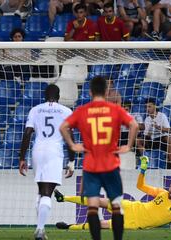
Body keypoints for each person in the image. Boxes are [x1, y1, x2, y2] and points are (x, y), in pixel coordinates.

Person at [59, 76, 139, 240]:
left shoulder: (83, 110)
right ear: (106, 91)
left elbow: (63, 127)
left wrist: (73, 145)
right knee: (116, 206)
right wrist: (129, 146)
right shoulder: (115, 109)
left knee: (93, 207)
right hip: (111, 165)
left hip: (91, 166)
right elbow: (134, 125)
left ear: (90, 91)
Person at [54, 157, 171, 231]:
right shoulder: (162, 193)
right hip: (131, 206)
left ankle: (69, 227)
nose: (170, 188)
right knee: (99, 200)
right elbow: (140, 186)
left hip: (134, 223)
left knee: (102, 224)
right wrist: (142, 171)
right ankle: (63, 198)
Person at [19, 84, 74, 240]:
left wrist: (22, 158)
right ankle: (40, 230)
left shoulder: (35, 110)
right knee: (47, 193)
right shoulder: (66, 111)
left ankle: (40, 228)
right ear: (58, 96)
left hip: (37, 151)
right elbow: (69, 137)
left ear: (45, 96)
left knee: (41, 190)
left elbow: (27, 133)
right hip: (54, 152)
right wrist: (72, 161)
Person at [136, 99, 171, 169]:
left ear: (155, 107)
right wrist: (148, 133)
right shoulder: (147, 119)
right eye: (146, 107)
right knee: (138, 140)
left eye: (149, 107)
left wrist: (159, 128)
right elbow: (146, 135)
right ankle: (144, 160)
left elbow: (170, 130)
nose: (147, 109)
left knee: (168, 138)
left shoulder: (162, 116)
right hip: (153, 140)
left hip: (162, 138)